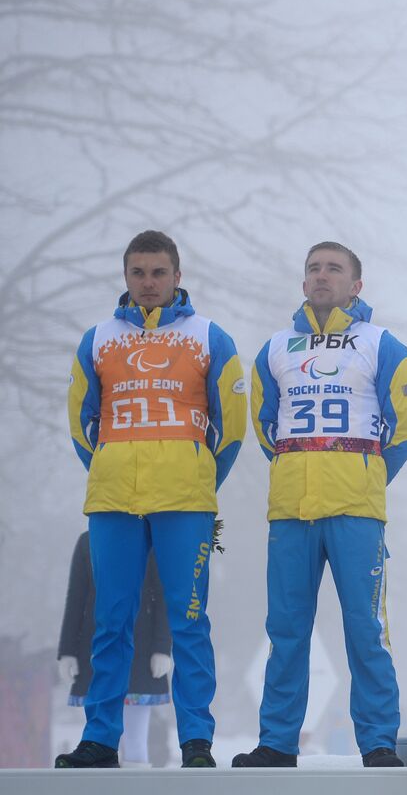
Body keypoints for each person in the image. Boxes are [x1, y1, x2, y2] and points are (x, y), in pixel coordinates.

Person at [58, 230, 246, 769]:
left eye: (158, 272)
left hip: (185, 502)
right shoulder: (97, 338)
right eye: (138, 273)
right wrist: (110, 468)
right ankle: (99, 739)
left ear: (177, 277)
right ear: (125, 277)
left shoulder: (211, 337)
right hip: (114, 501)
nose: (148, 283)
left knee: (189, 620)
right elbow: (79, 422)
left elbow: (231, 431)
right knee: (110, 620)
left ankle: (196, 741)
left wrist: (200, 479)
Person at [236, 241, 407, 768]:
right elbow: (264, 425)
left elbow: (406, 426)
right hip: (291, 510)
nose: (322, 276)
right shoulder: (274, 349)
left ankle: (378, 742)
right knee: (287, 628)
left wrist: (368, 475)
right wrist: (299, 467)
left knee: (366, 628)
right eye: (314, 268)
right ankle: (276, 743)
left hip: (357, 510)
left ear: (356, 285)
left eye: (334, 268)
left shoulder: (383, 345)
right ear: (303, 283)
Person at [57, 531, 172, 767]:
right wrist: (67, 650)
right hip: (95, 651)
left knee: (135, 741)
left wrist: (162, 647)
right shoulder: (88, 541)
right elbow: (76, 596)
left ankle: (135, 789)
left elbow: (162, 594)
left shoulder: (150, 538)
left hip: (139, 653)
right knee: (97, 739)